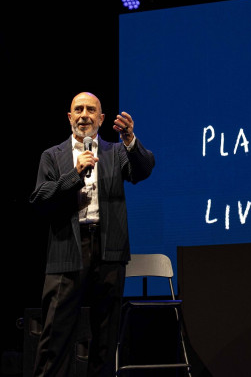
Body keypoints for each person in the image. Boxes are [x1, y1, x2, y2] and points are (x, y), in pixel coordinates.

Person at [28, 91, 155, 377]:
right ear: (69, 117)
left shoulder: (116, 152)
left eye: (91, 110)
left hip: (109, 248)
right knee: (56, 334)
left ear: (101, 118)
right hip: (67, 248)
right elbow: (40, 198)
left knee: (106, 337)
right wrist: (74, 175)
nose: (84, 115)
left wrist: (130, 140)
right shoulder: (52, 155)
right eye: (78, 109)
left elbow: (143, 170)